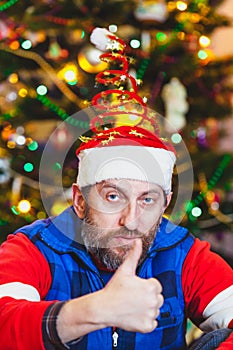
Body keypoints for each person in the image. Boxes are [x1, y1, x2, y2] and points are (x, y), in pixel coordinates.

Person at [0, 122, 233, 350]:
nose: (131, 221)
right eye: (113, 197)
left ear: (164, 205)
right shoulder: (32, 249)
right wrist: (94, 311)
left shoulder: (183, 254)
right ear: (80, 201)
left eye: (147, 200)